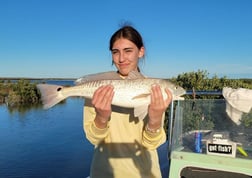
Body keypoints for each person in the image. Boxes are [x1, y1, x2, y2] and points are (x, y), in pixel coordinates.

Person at [83, 25, 172, 178]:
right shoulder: (99, 88)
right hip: (104, 173)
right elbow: (94, 139)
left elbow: (152, 144)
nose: (121, 58)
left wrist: (156, 118)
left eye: (128, 51)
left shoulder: (155, 89)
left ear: (141, 52)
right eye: (115, 52)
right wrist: (101, 118)